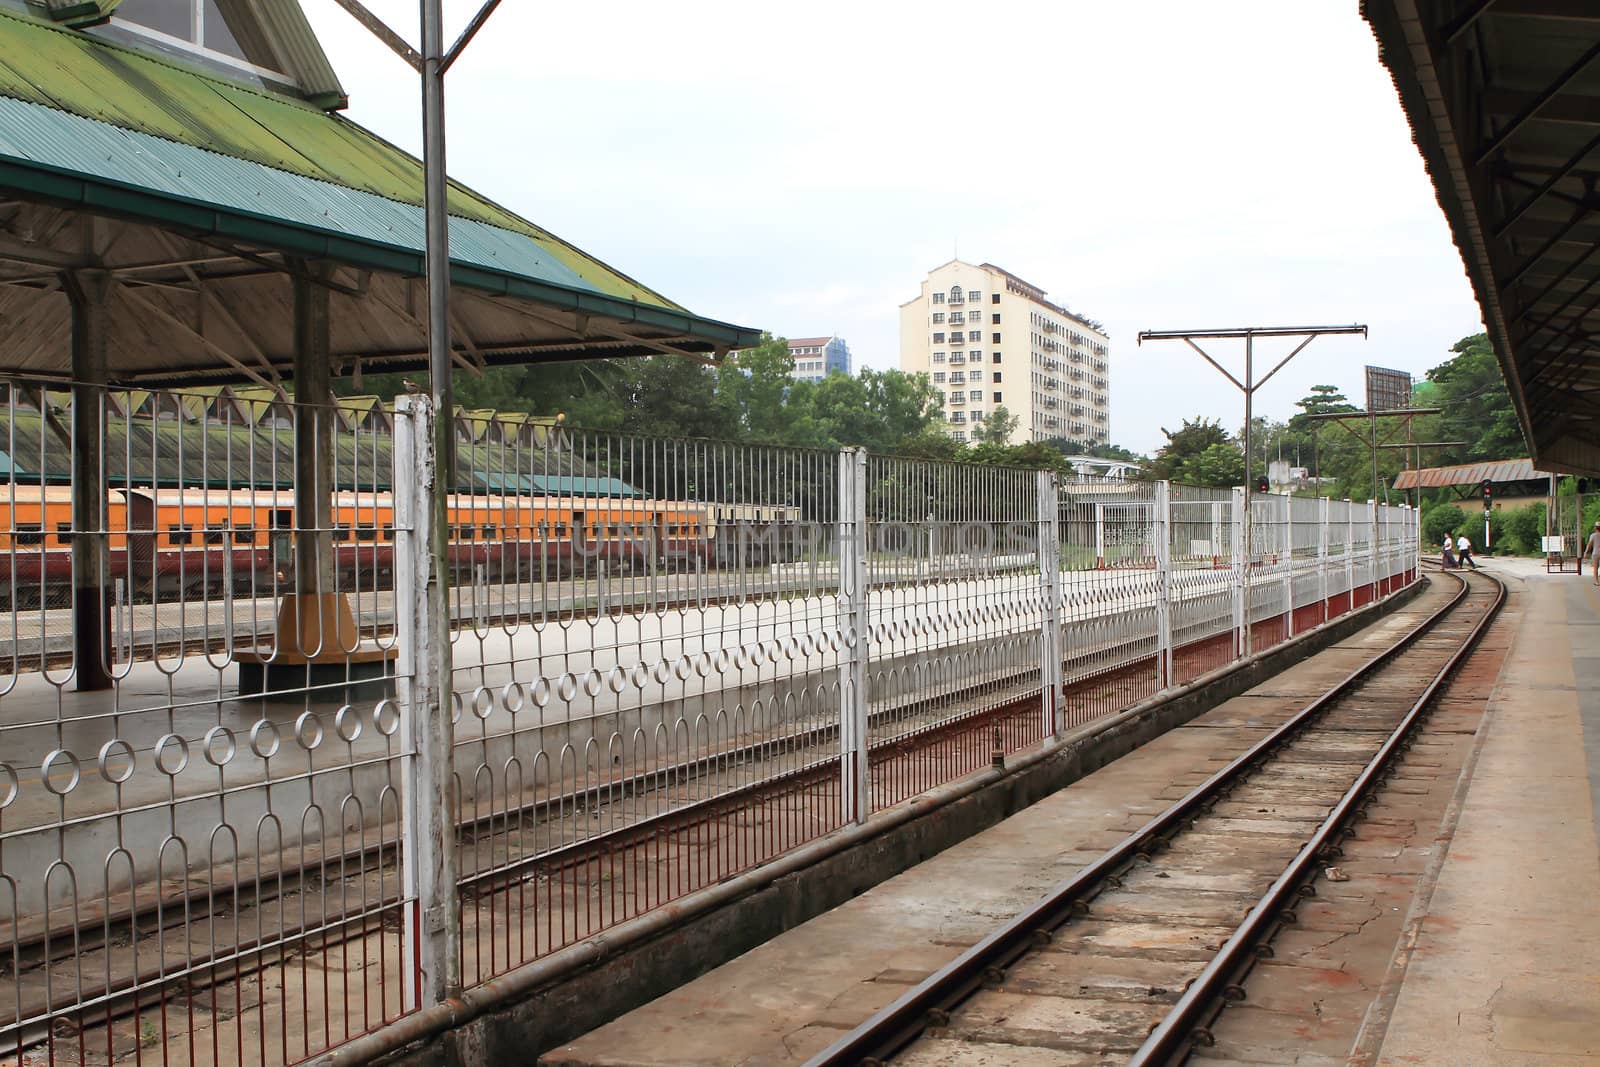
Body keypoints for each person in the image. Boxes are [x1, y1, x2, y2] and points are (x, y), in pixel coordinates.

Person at [1585, 521, 1600, 585]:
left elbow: (1589, 544)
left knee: (1595, 568)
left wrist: (1586, 552)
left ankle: (1596, 582)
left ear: (1595, 528)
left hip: (1595, 553)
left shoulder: (1593, 535)